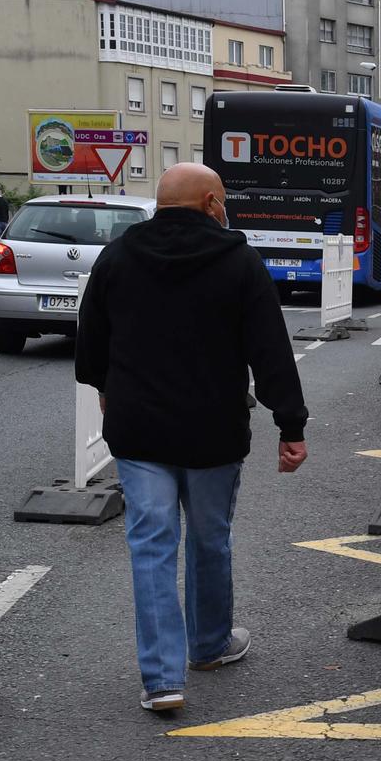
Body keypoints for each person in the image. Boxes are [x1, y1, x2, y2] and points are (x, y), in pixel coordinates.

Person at [76, 162, 309, 714]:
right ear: (210, 202)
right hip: (213, 431)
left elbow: (90, 343)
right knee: (210, 539)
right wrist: (290, 426)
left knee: (151, 545)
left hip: (139, 431)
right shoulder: (238, 261)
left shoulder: (119, 257)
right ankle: (208, 646)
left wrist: (107, 386)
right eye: (223, 200)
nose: (226, 208)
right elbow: (270, 351)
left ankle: (161, 681)